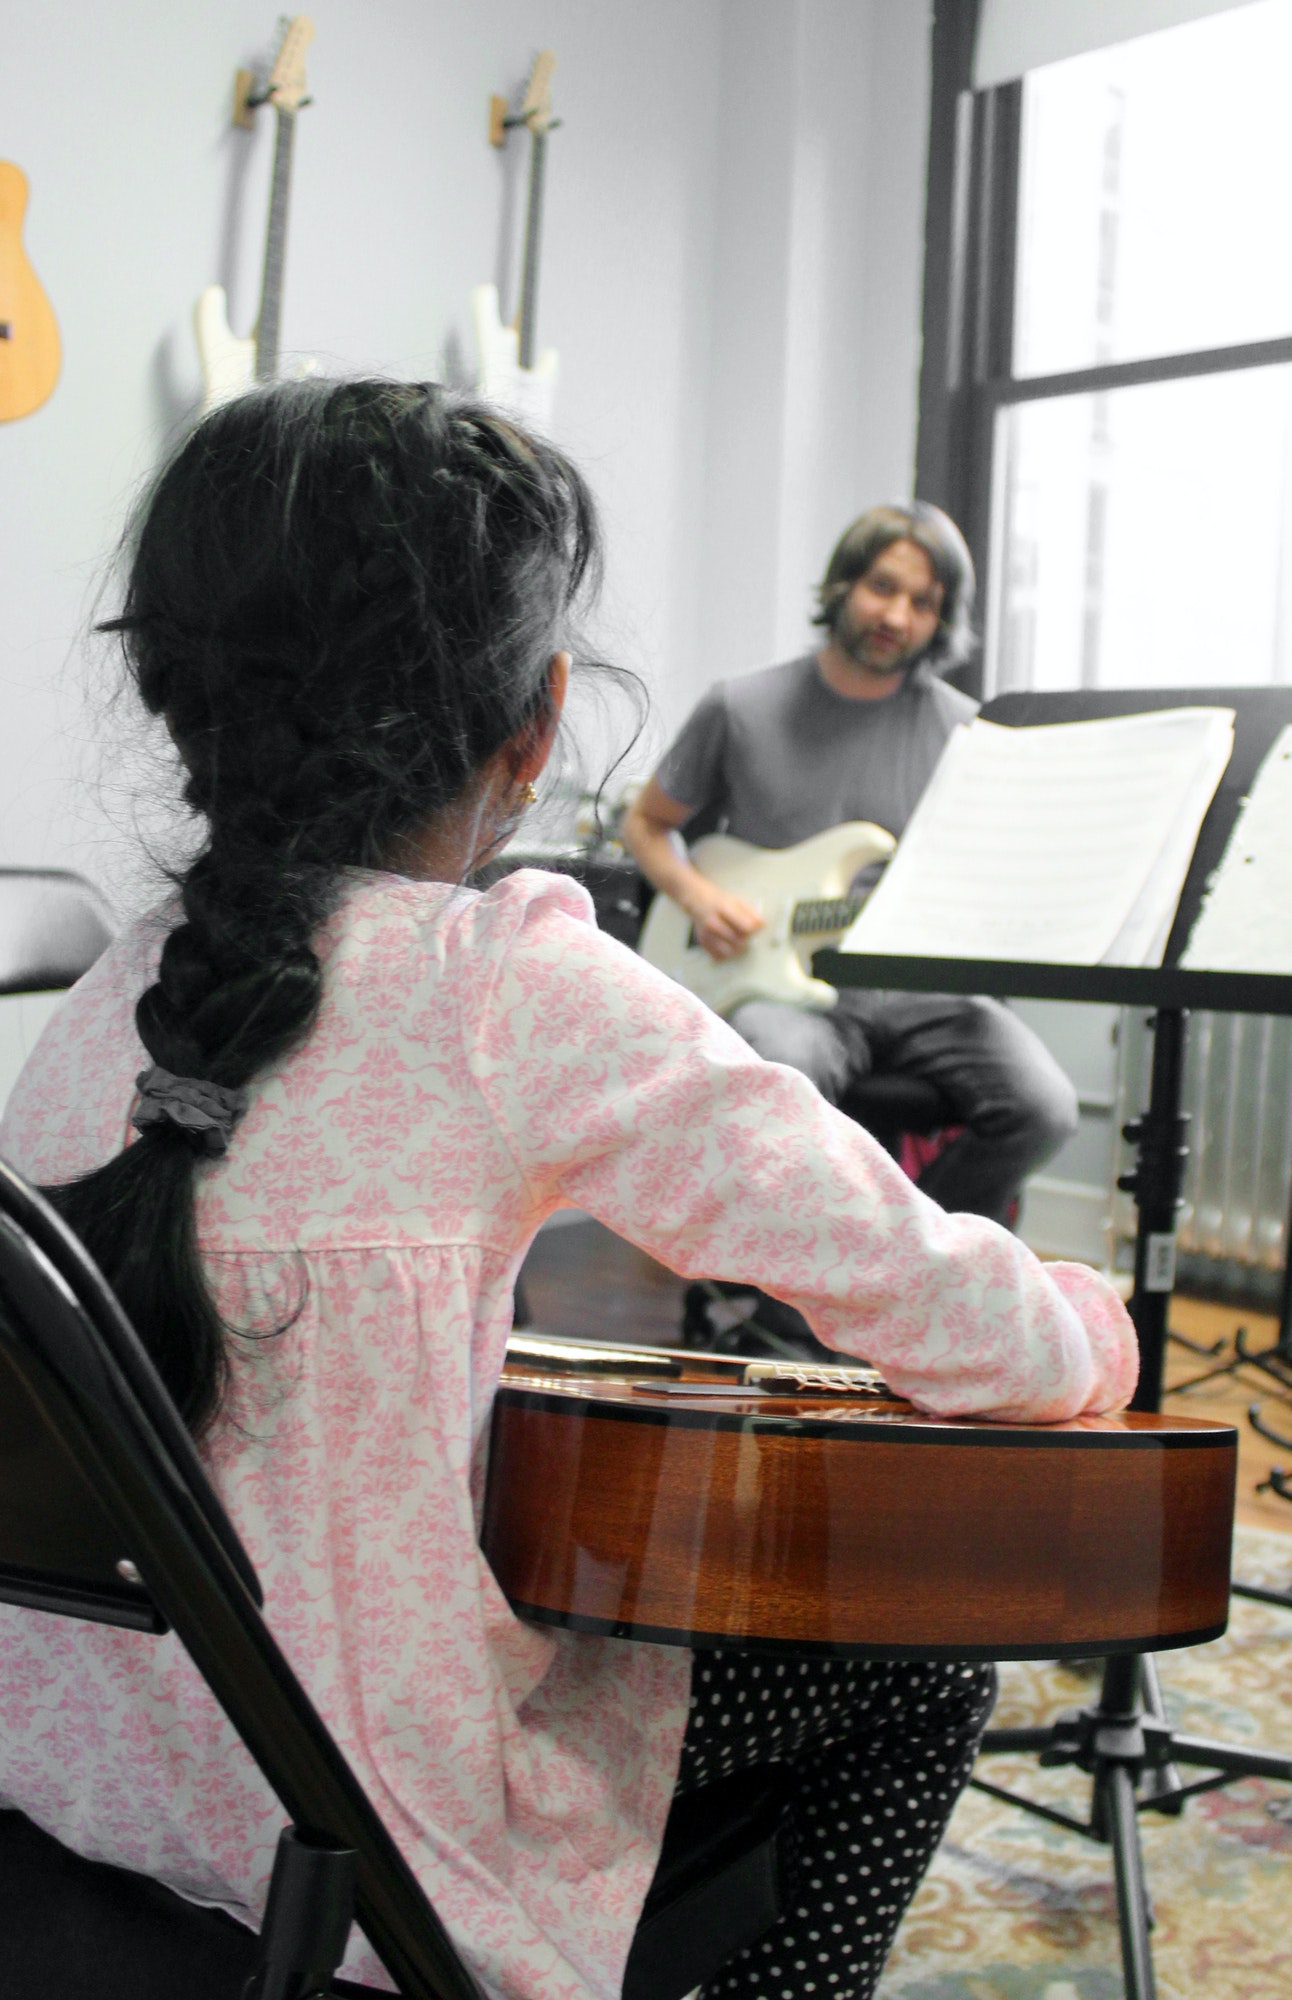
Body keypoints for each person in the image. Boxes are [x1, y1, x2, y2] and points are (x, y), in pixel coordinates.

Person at [0, 383, 1137, 2000]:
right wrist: (1090, 1331)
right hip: (365, 1871)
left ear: (181, 696)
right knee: (928, 1665)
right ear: (536, 726)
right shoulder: (505, 987)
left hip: (67, 1805)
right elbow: (945, 1303)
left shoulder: (106, 1005)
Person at [620, 503, 1081, 1234]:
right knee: (785, 1073)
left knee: (1044, 1108)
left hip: (920, 992)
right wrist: (698, 898)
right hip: (781, 991)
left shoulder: (969, 734)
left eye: (923, 603)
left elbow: (987, 877)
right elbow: (646, 823)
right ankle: (791, 1283)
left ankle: (914, 1257)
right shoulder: (741, 706)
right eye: (882, 587)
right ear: (843, 585)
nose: (896, 615)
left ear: (941, 621)